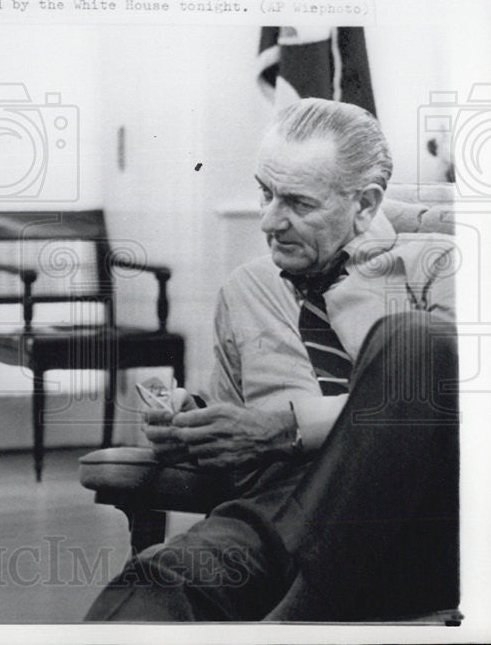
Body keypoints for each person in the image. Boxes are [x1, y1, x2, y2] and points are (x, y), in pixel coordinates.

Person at [87, 97, 458, 621]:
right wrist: (192, 422)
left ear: (366, 204)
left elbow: (466, 406)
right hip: (270, 519)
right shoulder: (246, 289)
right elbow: (237, 432)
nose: (268, 221)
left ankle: (300, 617)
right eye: (265, 193)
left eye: (298, 204)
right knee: (155, 584)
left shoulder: (440, 266)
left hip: (405, 526)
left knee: (418, 343)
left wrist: (285, 429)